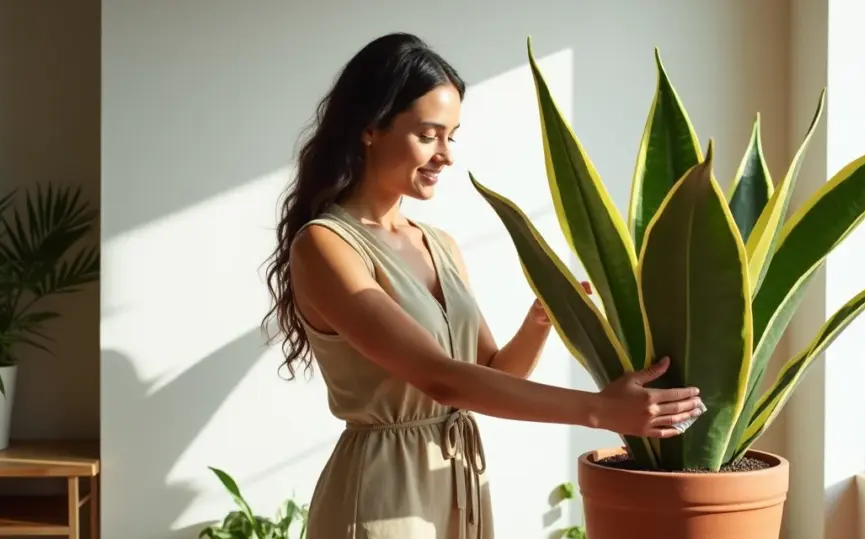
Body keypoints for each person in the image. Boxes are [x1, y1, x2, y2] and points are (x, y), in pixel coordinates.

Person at [261, 32, 704, 539]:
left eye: (452, 136)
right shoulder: (324, 246)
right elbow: (440, 378)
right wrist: (601, 410)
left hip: (459, 482)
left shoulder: (440, 244)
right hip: (383, 491)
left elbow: (489, 374)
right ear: (370, 128)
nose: (445, 155)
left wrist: (541, 321)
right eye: (429, 134)